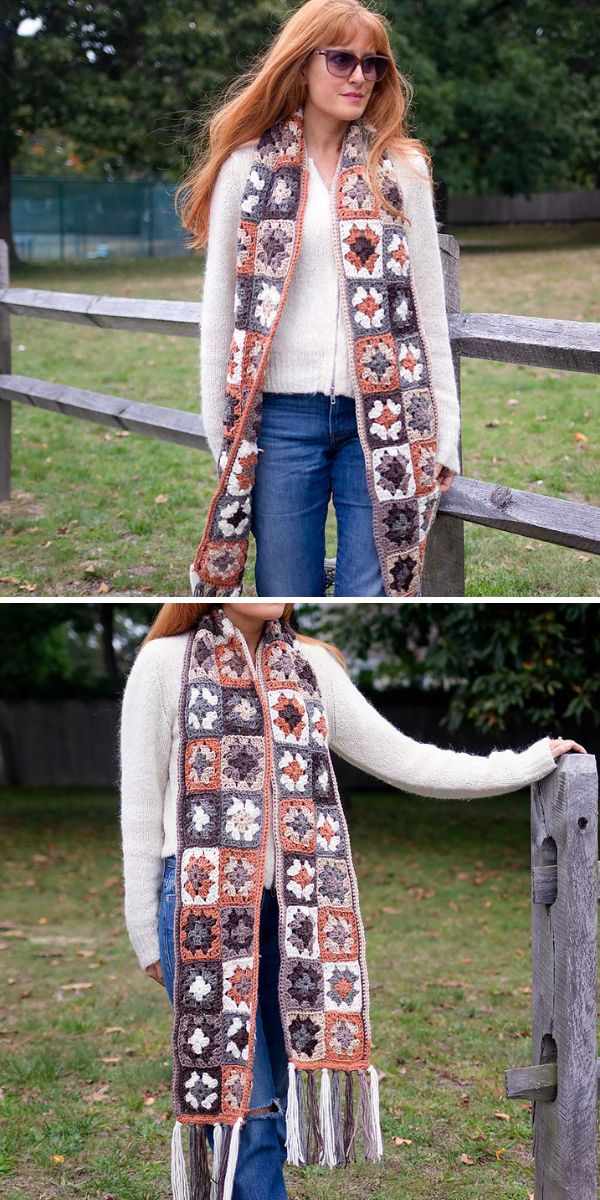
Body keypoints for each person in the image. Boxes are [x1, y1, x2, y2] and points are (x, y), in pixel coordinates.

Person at [119, 601, 585, 1200]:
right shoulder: (163, 663)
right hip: (200, 919)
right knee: (244, 1112)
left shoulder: (314, 667)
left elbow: (407, 758)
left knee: (275, 1103)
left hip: (297, 923)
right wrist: (143, 934)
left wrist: (527, 762)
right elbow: (138, 811)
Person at [176, 0, 461, 598]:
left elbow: (427, 315)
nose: (359, 76)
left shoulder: (401, 170)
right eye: (341, 59)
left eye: (373, 63)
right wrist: (219, 434)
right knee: (286, 590)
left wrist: (447, 431)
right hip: (281, 421)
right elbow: (221, 314)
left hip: (385, 420)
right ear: (301, 65)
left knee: (373, 590)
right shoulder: (246, 168)